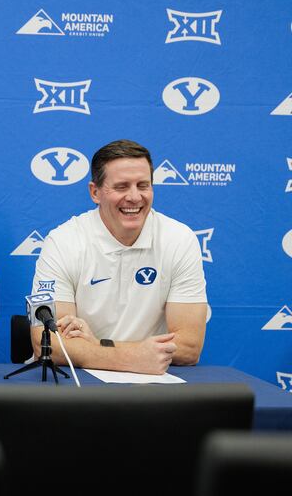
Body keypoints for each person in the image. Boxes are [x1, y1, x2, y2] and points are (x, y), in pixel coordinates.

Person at [31, 140, 207, 375]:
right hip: (76, 381)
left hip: (153, 383)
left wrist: (98, 347)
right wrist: (131, 358)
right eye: (122, 187)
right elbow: (48, 343)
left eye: (143, 185)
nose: (135, 197)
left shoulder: (179, 239)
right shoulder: (63, 241)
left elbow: (189, 347)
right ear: (95, 192)